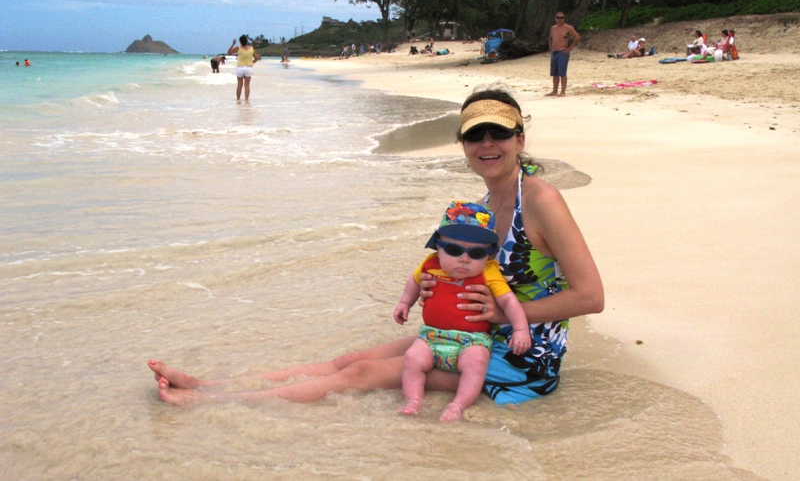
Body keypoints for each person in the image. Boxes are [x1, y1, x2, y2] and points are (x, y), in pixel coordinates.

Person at [148, 84, 604, 411]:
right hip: (471, 337)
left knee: (362, 376)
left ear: (520, 140)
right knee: (351, 359)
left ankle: (213, 404)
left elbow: (591, 297)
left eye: (499, 134)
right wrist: (436, 286)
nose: (487, 144)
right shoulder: (482, 209)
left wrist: (503, 314)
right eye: (474, 135)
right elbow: (471, 275)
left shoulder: (540, 199)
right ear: (462, 145)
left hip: (521, 361)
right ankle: (210, 385)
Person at [394, 201, 531, 421]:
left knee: (476, 364)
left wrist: (521, 330)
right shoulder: (430, 264)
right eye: (454, 250)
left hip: (472, 341)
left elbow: (509, 302)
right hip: (431, 337)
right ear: (438, 247)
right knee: (412, 359)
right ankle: (413, 401)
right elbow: (414, 281)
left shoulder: (488, 273)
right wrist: (404, 303)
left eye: (476, 253)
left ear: (489, 256)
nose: (464, 259)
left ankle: (457, 405)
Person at [547, 12, 581, 97]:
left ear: (564, 18)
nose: (560, 19)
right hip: (554, 52)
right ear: (555, 18)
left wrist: (569, 49)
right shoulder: (553, 28)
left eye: (561, 18)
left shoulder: (568, 28)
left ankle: (563, 92)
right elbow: (550, 38)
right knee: (554, 73)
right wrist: (551, 49)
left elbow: (577, 38)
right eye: (558, 18)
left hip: (562, 52)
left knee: (562, 73)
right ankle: (554, 91)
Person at [227, 35, 260, 101]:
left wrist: (233, 44)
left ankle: (238, 99)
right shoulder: (251, 48)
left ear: (240, 42)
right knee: (247, 85)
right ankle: (246, 100)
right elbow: (257, 58)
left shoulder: (238, 48)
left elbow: (229, 53)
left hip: (240, 68)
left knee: (239, 85)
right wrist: (251, 63)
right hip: (248, 68)